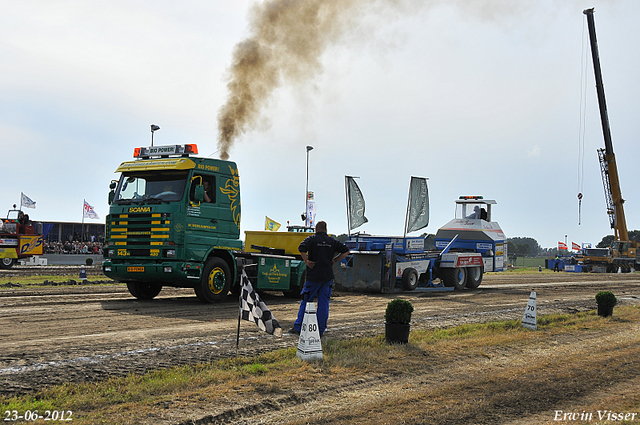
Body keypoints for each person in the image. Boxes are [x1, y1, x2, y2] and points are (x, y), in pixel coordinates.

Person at [290, 221, 350, 337]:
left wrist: (306, 261)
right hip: (327, 276)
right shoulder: (331, 241)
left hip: (313, 276)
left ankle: (299, 326)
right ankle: (320, 330)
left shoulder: (311, 239)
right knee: (324, 304)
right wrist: (335, 260)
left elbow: (301, 248)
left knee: (306, 301)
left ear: (316, 229)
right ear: (326, 229)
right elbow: (346, 251)